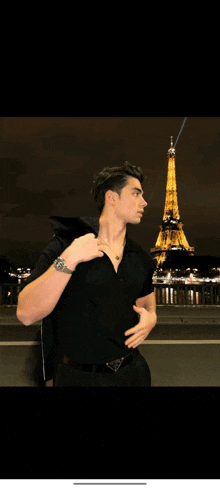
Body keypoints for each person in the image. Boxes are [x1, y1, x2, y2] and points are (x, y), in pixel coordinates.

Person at [16, 161, 157, 387]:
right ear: (112, 198)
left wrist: (151, 317)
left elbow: (146, 302)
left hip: (134, 373)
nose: (144, 202)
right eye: (136, 193)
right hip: (78, 377)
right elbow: (26, 313)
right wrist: (69, 258)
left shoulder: (141, 258)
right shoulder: (66, 244)